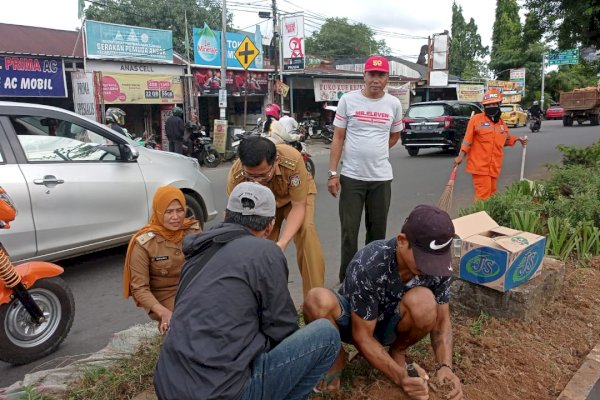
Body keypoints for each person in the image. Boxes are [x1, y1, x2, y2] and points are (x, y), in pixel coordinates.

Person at [153, 182, 341, 400]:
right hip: (222, 393)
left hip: (168, 386)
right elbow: (282, 328)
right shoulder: (265, 252)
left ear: (225, 215)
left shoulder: (197, 252)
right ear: (270, 227)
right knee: (326, 335)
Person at [303, 205, 464, 400]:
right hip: (355, 323)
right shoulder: (370, 262)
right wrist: (400, 377)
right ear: (402, 241)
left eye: (435, 260)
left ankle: (398, 351)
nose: (431, 267)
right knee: (316, 299)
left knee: (425, 302)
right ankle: (337, 357)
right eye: (424, 259)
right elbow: (362, 336)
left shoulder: (439, 267)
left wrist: (445, 366)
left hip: (392, 324)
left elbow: (441, 320)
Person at [328, 55, 404, 282]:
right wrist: (333, 174)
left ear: (387, 78)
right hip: (352, 177)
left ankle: (372, 279)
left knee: (377, 234)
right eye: (372, 74)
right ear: (364, 76)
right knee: (349, 233)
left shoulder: (393, 104)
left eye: (381, 75)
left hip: (381, 178)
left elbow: (395, 136)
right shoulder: (348, 101)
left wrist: (376, 151)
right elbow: (338, 137)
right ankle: (348, 281)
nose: (376, 79)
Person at [227, 136, 324, 299]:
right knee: (261, 246)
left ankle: (314, 299)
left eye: (262, 176)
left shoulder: (292, 159)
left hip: (292, 199)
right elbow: (234, 215)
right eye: (250, 176)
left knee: (306, 231)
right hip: (260, 206)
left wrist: (283, 243)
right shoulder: (236, 176)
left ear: (276, 161)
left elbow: (299, 206)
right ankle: (265, 300)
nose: (256, 182)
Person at [123, 186, 201, 334]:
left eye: (179, 210)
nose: (176, 217)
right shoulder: (144, 244)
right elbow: (139, 289)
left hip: (194, 289)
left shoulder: (193, 231)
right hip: (167, 296)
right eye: (169, 211)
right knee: (186, 325)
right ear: (158, 211)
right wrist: (164, 313)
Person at [454, 89, 528, 201]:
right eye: (488, 105)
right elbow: (467, 140)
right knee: (483, 196)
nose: (491, 107)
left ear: (499, 105)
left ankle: (488, 216)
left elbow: (505, 140)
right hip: (480, 166)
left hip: (494, 166)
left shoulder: (502, 124)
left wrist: (518, 139)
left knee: (492, 195)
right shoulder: (476, 120)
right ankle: (480, 217)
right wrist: (461, 155)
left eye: (494, 104)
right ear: (484, 107)